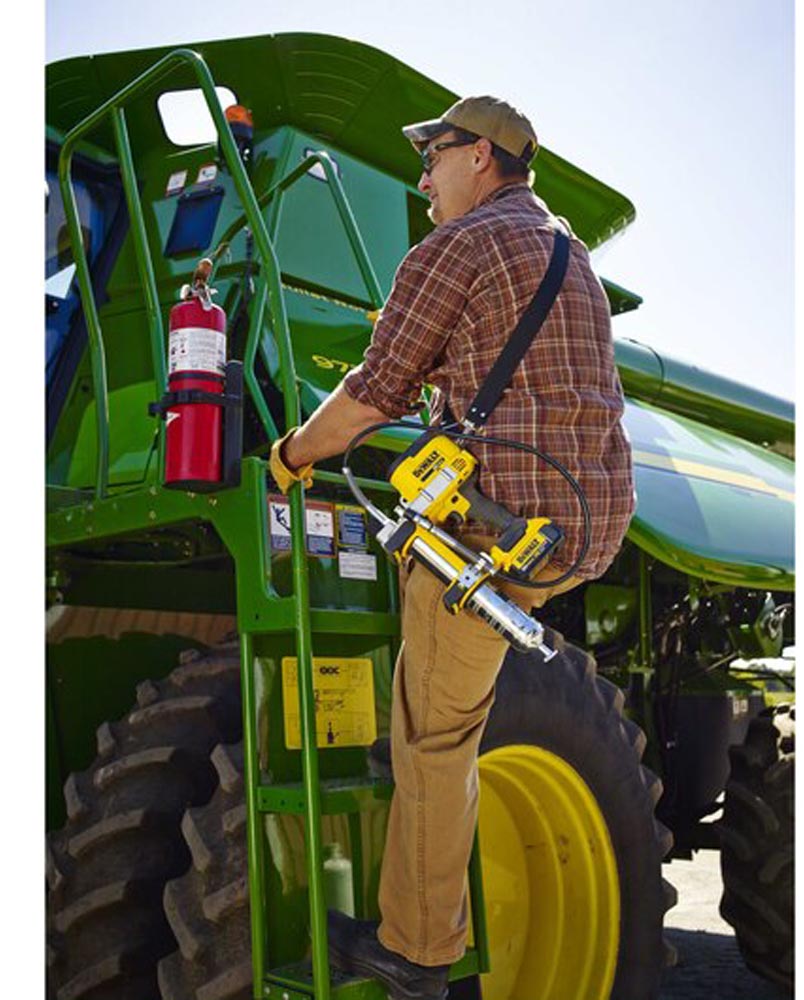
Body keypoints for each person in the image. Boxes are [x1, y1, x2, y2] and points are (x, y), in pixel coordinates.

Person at [269, 95, 635, 1000]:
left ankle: (418, 951)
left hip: (491, 534)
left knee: (434, 740)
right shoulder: (569, 254)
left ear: (481, 157)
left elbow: (374, 392)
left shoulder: (459, 245)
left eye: (434, 155)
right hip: (579, 530)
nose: (423, 175)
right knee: (450, 713)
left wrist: (292, 456)